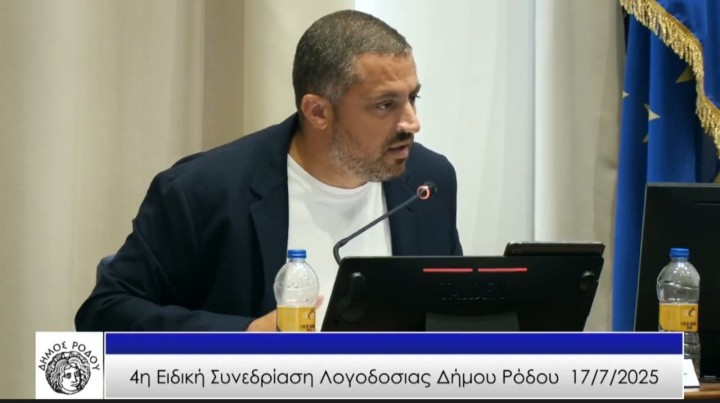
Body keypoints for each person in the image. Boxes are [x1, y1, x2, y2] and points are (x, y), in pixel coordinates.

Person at [75, 9, 462, 332]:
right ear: (318, 111)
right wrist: (244, 337)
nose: (412, 122)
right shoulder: (203, 191)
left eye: (413, 98)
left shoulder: (429, 182)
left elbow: (448, 316)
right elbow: (103, 313)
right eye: (385, 105)